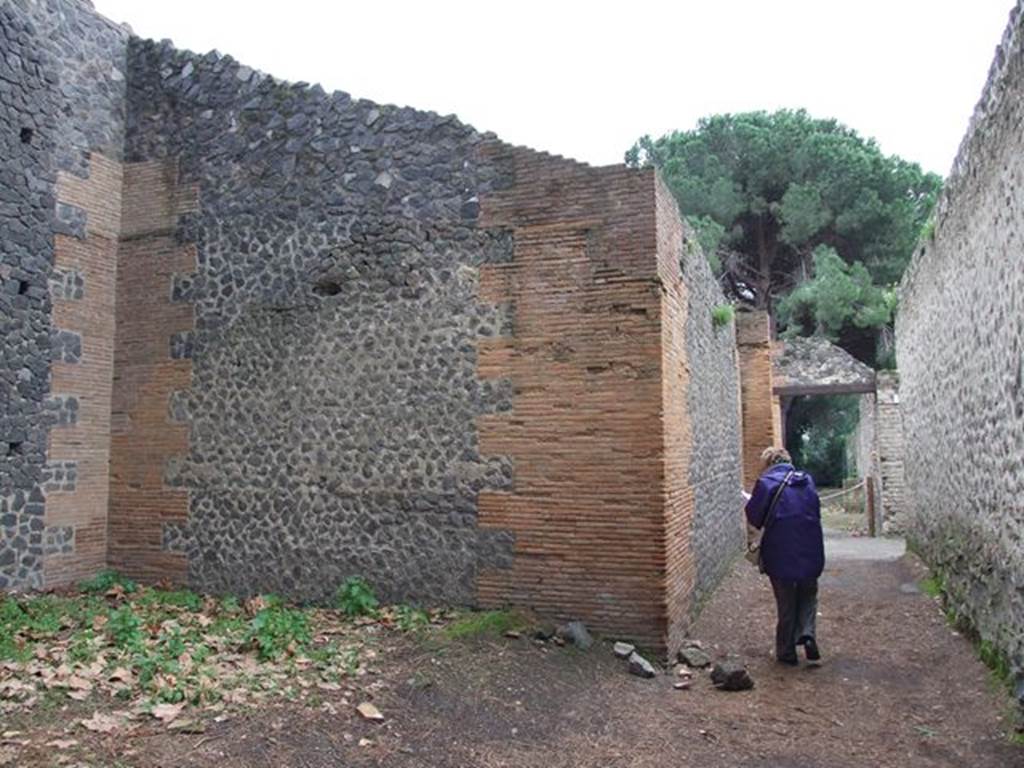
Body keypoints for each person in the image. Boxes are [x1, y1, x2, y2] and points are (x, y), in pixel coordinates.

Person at [744, 446, 825, 666]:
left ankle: (786, 652)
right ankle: (808, 633)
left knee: (786, 601)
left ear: (768, 463)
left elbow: (755, 518)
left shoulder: (766, 484)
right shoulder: (807, 481)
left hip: (779, 550)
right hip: (810, 548)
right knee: (809, 593)